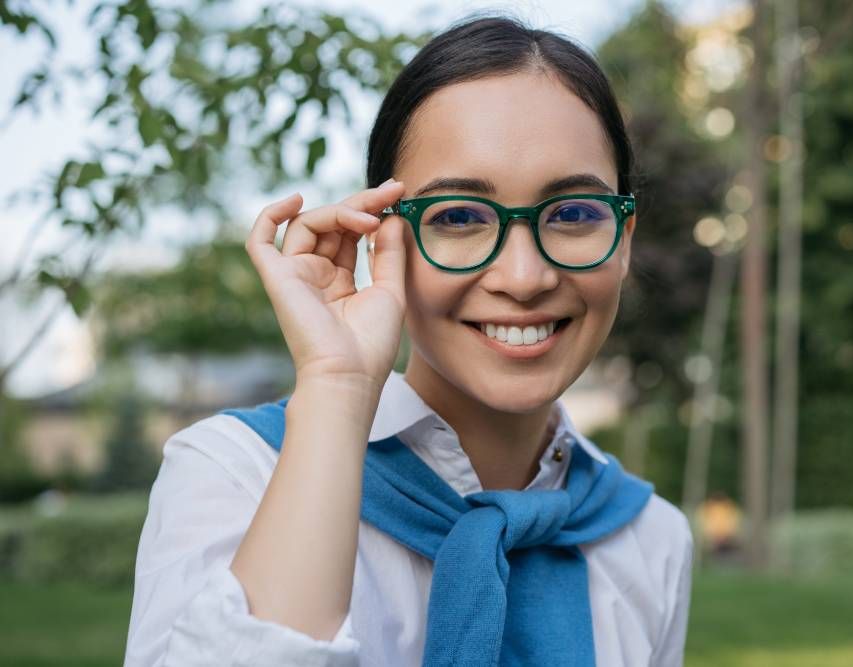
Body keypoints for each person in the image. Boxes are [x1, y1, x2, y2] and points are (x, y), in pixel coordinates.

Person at [124, 14, 693, 667]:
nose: (524, 277)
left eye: (571, 214)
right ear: (381, 236)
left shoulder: (651, 538)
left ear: (623, 239)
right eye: (457, 217)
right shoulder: (234, 473)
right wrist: (337, 390)